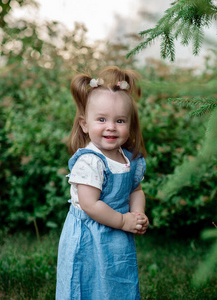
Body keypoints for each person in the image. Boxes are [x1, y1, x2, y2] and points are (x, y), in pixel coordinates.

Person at [56, 66, 149, 300]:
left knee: (116, 282)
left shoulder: (128, 159)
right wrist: (122, 220)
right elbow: (90, 204)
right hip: (89, 237)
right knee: (88, 283)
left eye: (120, 120)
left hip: (116, 234)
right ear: (84, 124)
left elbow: (135, 189)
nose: (111, 127)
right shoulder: (90, 160)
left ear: (130, 125)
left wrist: (136, 215)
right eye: (101, 119)